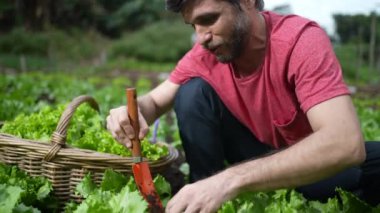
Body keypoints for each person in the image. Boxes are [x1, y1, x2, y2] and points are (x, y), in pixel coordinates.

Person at [106, 0, 380, 212]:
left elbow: (345, 143)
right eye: (193, 26)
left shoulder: (300, 40)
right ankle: (201, 198)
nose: (201, 37)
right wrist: (133, 111)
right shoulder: (204, 54)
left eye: (209, 19)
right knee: (191, 92)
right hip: (254, 156)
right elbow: (154, 101)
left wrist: (228, 180)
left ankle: (218, 187)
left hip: (312, 165)